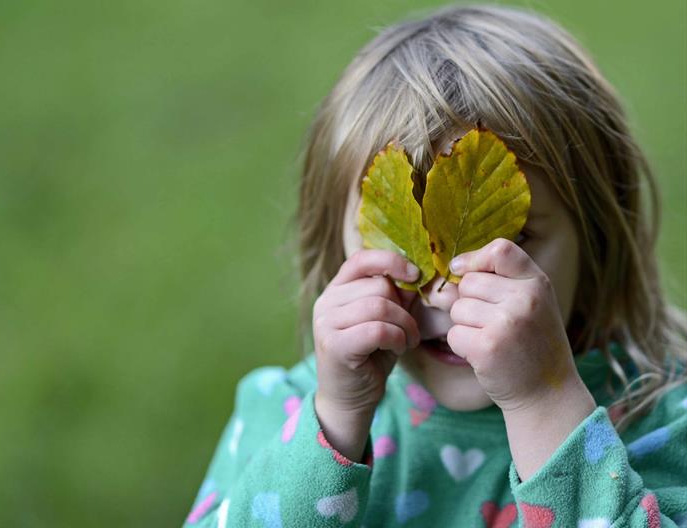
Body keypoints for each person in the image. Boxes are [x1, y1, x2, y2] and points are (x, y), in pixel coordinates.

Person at [184, 4, 687, 527]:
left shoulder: (666, 417)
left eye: (506, 242)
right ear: (337, 246)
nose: (443, 292)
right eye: (397, 241)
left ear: (597, 237)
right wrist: (335, 423)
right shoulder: (286, 412)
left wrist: (544, 402)